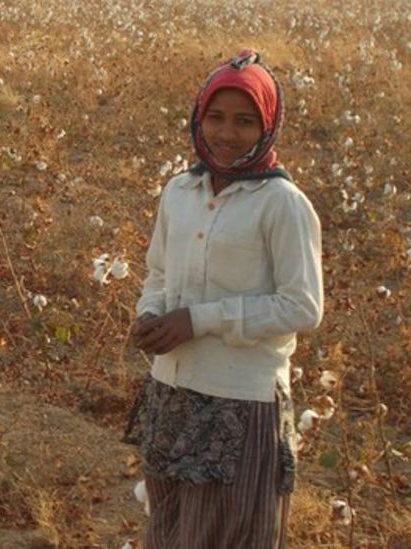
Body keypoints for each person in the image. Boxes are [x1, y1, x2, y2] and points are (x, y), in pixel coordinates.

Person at [124, 50, 323, 548]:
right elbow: (159, 272)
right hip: (171, 393)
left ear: (268, 125)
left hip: (241, 404)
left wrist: (200, 319)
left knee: (226, 535)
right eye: (215, 117)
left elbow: (302, 305)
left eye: (244, 121)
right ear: (197, 117)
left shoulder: (283, 205)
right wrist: (151, 314)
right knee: (168, 533)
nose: (226, 133)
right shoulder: (180, 191)